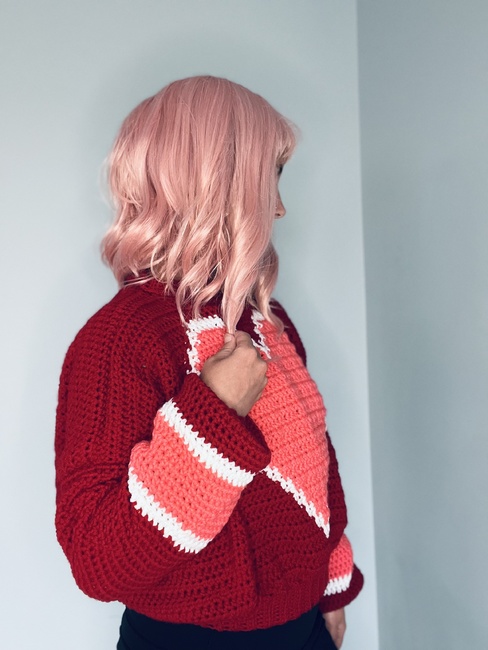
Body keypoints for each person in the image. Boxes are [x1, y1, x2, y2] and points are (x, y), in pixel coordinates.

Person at [55, 75, 364, 650]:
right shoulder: (119, 338)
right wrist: (214, 411)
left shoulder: (267, 319)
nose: (279, 207)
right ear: (213, 185)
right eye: (269, 178)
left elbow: (315, 463)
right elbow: (97, 560)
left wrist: (333, 581)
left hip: (303, 627)